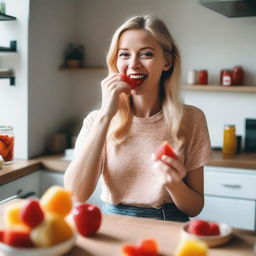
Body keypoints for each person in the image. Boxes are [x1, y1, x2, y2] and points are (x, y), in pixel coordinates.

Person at [64, 15, 212, 222]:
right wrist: (106, 115)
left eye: (146, 54)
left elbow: (195, 208)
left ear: (167, 62)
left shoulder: (192, 118)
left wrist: (173, 183)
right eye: (124, 54)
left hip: (169, 224)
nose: (133, 64)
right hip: (113, 224)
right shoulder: (95, 120)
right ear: (115, 62)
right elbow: (76, 193)